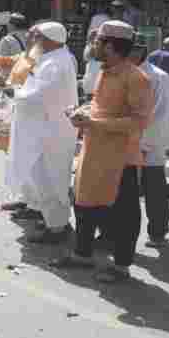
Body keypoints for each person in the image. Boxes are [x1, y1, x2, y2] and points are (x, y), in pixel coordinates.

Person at [55, 21, 153, 281]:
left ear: (110, 46)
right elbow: (101, 108)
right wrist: (83, 112)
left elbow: (139, 122)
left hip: (120, 159)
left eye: (96, 42)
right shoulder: (104, 71)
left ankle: (121, 266)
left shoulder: (136, 78)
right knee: (84, 204)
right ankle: (83, 254)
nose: (93, 46)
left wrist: (93, 122)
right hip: (93, 151)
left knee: (123, 216)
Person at [12, 21, 80, 244]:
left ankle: (57, 228)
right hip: (47, 129)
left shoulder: (55, 63)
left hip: (51, 132)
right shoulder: (52, 58)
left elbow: (37, 96)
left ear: (48, 39)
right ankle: (47, 217)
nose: (32, 40)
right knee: (42, 175)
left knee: (50, 178)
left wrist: (12, 90)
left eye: (36, 36)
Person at [134, 42, 169, 249]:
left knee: (154, 187)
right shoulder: (120, 71)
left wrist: (144, 143)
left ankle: (158, 232)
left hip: (149, 142)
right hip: (124, 140)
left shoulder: (159, 77)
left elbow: (159, 115)